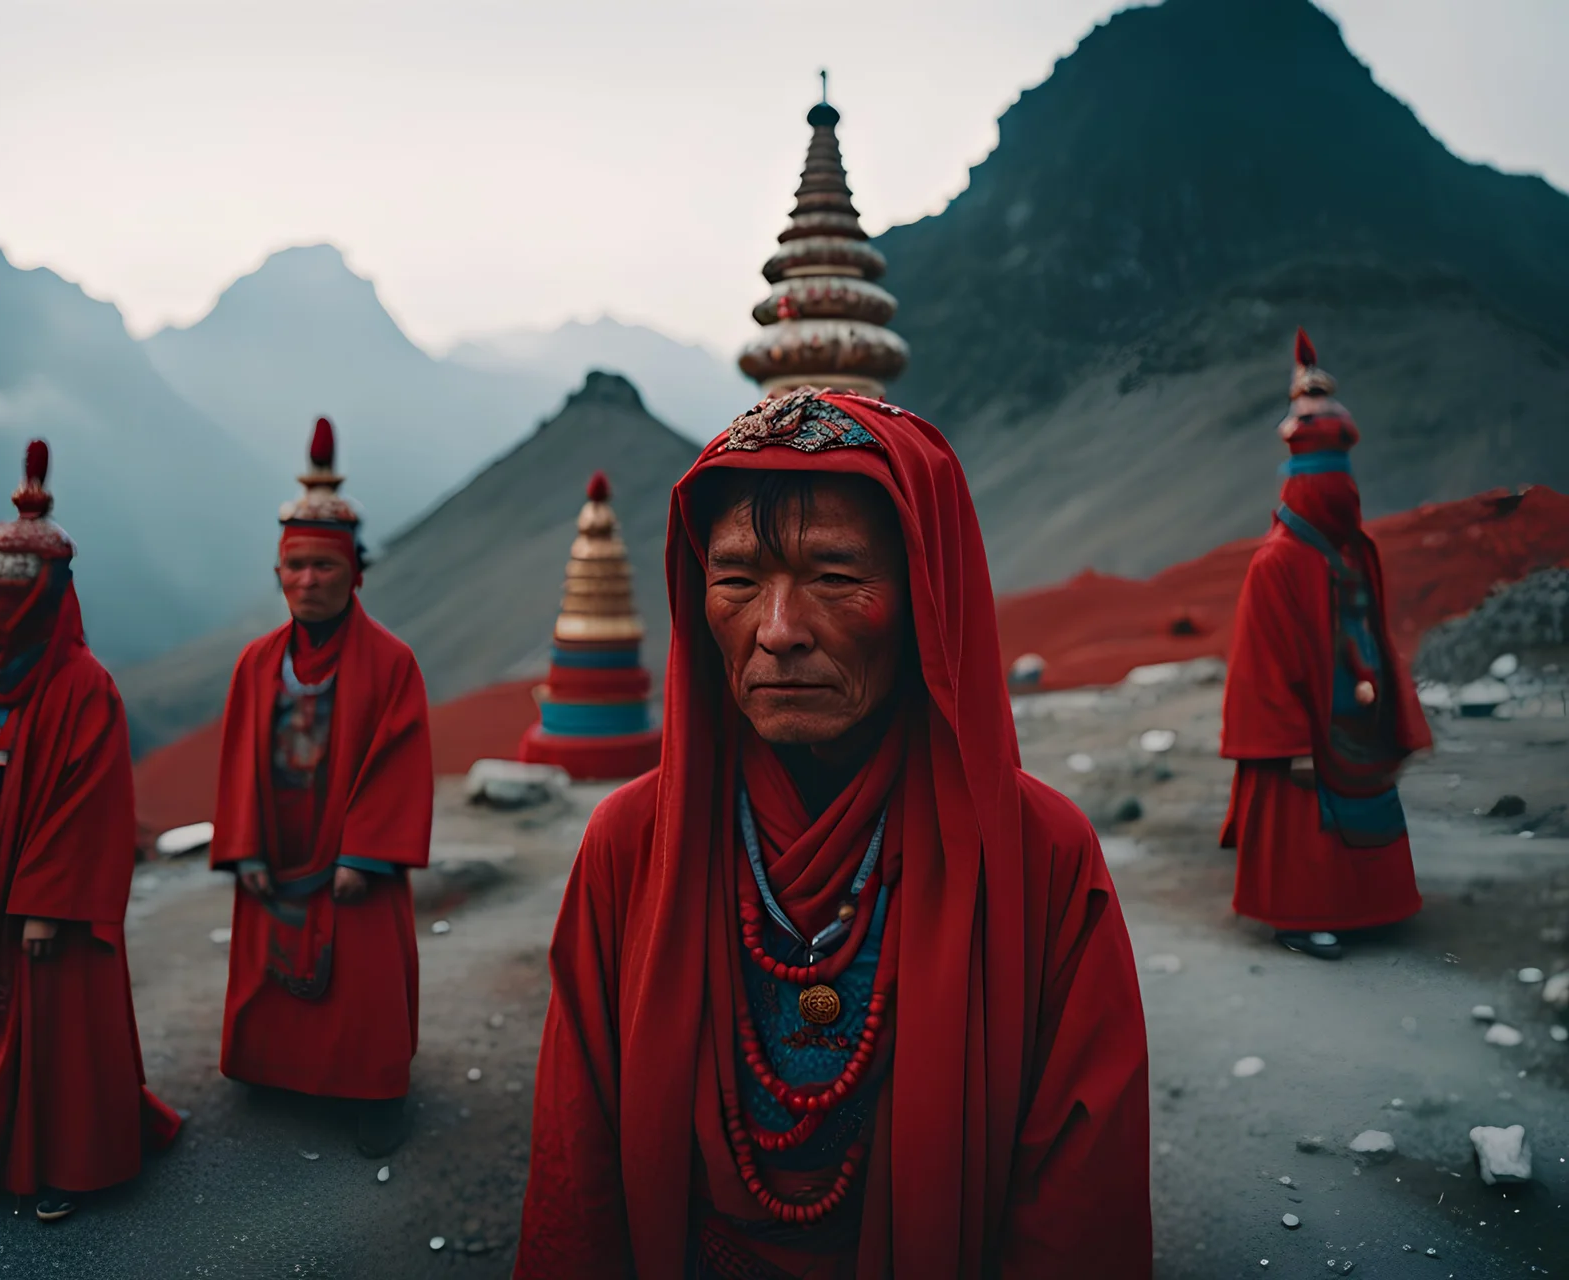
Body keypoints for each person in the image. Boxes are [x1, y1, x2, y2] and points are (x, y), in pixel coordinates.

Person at [516, 389, 1152, 1278]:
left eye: (836, 577)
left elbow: (1080, 1206)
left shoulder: (1040, 856)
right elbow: (575, 1167)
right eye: (736, 580)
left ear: (926, 597)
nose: (778, 633)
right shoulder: (631, 842)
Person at [0, 440, 180, 1222]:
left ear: (49, 596)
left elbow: (92, 805)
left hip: (42, 905)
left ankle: (68, 1162)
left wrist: (48, 903)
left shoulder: (86, 688)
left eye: (15, 595)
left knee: (58, 1033)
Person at [211, 416, 433, 1157]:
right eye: (295, 567)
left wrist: (362, 854)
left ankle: (372, 1094)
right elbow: (238, 760)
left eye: (325, 568)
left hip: (345, 847)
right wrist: (242, 845)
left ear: (356, 573)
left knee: (361, 977)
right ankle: (277, 1070)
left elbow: (399, 762)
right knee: (271, 964)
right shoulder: (254, 663)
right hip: (277, 837)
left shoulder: (392, 662)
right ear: (279, 573)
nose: (308, 582)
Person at [1220, 330, 1430, 960]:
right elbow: (1261, 663)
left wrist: (1383, 692)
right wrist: (1290, 741)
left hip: (1354, 711)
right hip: (1305, 731)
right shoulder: (1276, 562)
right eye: (1330, 482)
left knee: (1365, 807)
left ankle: (1368, 907)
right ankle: (1301, 916)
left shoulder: (1351, 551)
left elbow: (1368, 625)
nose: (1345, 495)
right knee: (1307, 817)